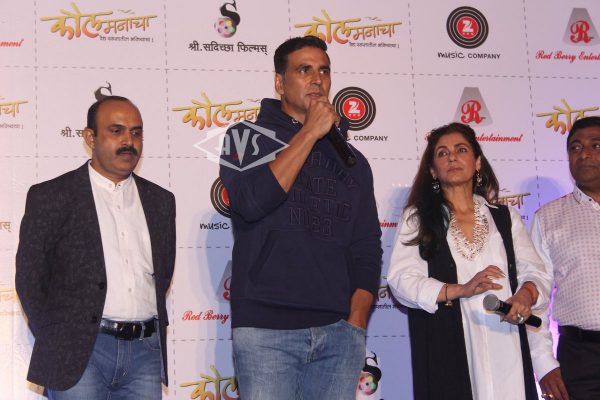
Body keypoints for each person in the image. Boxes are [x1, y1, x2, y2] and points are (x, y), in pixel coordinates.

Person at [219, 36, 382, 399]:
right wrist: (309, 132)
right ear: (280, 83)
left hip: (339, 334)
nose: (317, 79)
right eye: (304, 70)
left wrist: (356, 321)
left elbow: (367, 245)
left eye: (324, 70)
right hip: (266, 331)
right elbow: (250, 202)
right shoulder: (244, 137)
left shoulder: (353, 160)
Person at [15, 96, 176, 399]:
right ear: (90, 138)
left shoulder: (161, 201)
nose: (129, 141)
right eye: (116, 131)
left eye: (136, 133)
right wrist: (59, 336)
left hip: (146, 352)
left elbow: (162, 274)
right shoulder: (52, 196)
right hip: (78, 353)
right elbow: (29, 279)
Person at [387, 122, 551, 400]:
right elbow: (401, 280)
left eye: (461, 150)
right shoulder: (418, 218)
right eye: (442, 153)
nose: (452, 157)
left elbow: (536, 272)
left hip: (506, 342)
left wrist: (525, 295)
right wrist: (459, 290)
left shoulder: (505, 217)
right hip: (447, 346)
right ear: (433, 170)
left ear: (477, 163)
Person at [529, 116, 600, 400]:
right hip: (580, 358)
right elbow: (534, 296)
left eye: (595, 145)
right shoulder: (547, 218)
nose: (584, 154)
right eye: (575, 147)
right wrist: (544, 364)